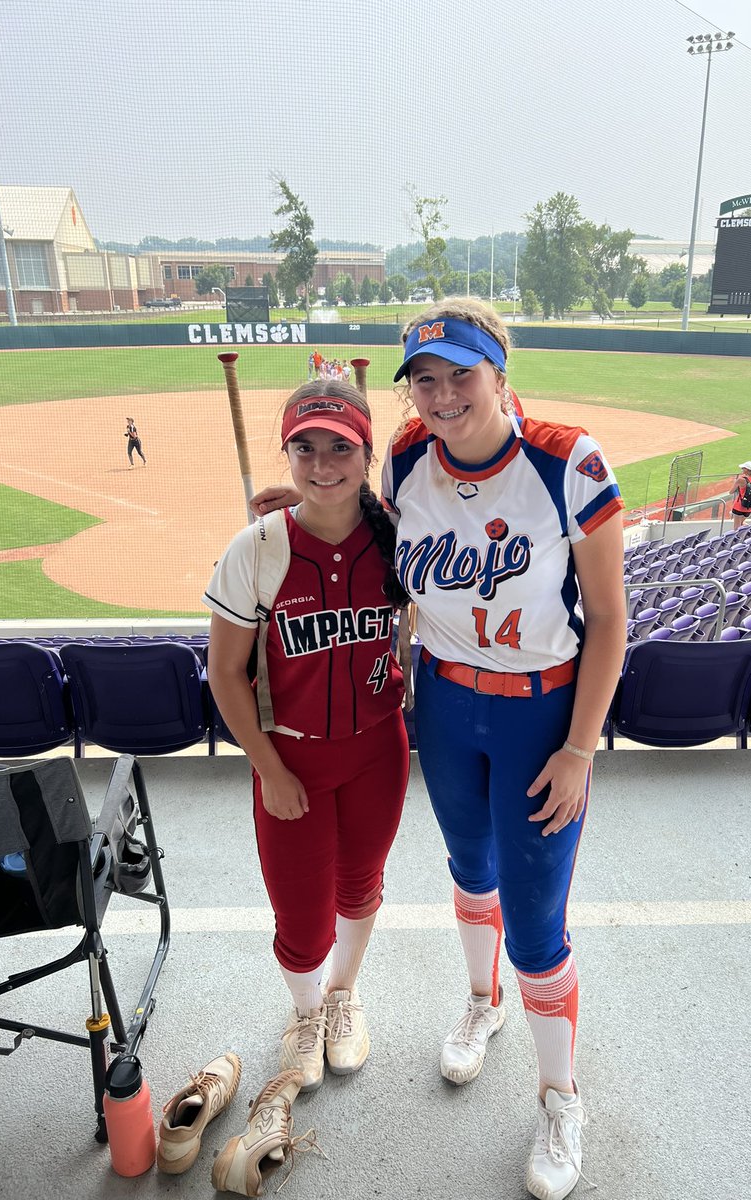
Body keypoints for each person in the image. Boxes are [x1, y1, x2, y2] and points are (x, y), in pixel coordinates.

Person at [251, 298, 626, 1200]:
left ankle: (560, 1099)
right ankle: (482, 1004)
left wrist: (581, 748)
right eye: (426, 378)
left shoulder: (567, 461)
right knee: (468, 868)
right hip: (446, 710)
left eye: (463, 373)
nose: (444, 393)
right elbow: (378, 540)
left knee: (538, 931)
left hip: (545, 715)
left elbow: (611, 619)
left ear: (499, 371)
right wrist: (298, 506)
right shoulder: (409, 457)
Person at [205, 380, 410, 1096]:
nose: (322, 464)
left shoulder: (400, 535)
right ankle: (303, 1012)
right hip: (290, 757)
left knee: (360, 885)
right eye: (305, 447)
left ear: (365, 451)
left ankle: (343, 996)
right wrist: (268, 768)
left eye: (339, 447)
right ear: (287, 452)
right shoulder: (256, 549)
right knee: (299, 913)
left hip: (379, 749)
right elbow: (226, 675)